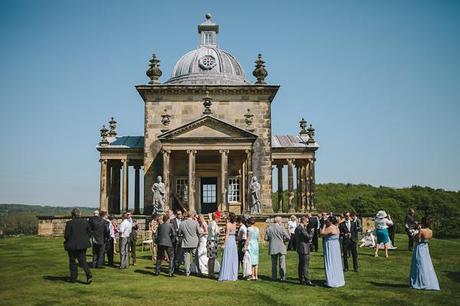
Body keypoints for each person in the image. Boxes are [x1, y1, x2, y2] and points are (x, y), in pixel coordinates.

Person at [409, 217, 440, 291]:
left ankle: (420, 282)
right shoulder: (430, 231)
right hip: (425, 248)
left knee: (419, 264)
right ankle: (428, 281)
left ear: (423, 223)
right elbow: (427, 239)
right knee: (426, 264)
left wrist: (416, 233)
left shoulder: (422, 230)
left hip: (419, 248)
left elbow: (417, 240)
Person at [64, 208, 92, 284]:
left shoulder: (69, 223)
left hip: (72, 244)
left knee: (72, 261)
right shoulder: (85, 222)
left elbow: (66, 235)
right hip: (83, 244)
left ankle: (73, 278)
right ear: (80, 214)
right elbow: (89, 233)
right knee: (83, 260)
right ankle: (88, 274)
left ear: (72, 215)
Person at [320, 215, 345, 288]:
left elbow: (322, 233)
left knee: (330, 261)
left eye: (327, 220)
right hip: (336, 246)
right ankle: (338, 279)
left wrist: (324, 225)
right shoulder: (336, 227)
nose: (326, 220)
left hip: (330, 246)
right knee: (336, 262)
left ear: (330, 221)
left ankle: (331, 280)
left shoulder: (330, 227)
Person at [264, 216, 290, 281]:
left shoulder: (269, 228)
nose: (281, 222)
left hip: (273, 247)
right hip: (281, 247)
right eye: (281, 221)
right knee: (282, 263)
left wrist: (271, 240)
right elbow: (288, 237)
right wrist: (284, 240)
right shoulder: (282, 228)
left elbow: (266, 238)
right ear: (278, 221)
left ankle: (274, 277)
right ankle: (282, 277)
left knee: (274, 264)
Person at [219, 212, 239, 281]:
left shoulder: (228, 224)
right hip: (233, 242)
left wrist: (224, 244)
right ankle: (232, 275)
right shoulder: (235, 224)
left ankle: (225, 275)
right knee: (233, 258)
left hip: (229, 241)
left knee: (227, 257)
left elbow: (227, 235)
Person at [295, 216, 314, 286]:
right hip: (304, 249)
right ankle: (307, 280)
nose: (308, 223)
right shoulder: (301, 228)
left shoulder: (299, 228)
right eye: (307, 221)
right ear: (303, 221)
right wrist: (312, 231)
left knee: (301, 265)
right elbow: (308, 237)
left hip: (301, 248)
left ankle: (302, 279)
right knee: (305, 265)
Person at [179, 212, 200, 276]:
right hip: (194, 242)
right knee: (196, 258)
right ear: (192, 216)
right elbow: (198, 232)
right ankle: (198, 271)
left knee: (186, 258)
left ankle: (187, 272)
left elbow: (179, 233)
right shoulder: (195, 222)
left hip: (186, 242)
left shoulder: (182, 223)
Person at [207, 212, 220, 278]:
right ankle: (211, 273)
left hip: (210, 241)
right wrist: (219, 232)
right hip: (212, 241)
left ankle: (210, 272)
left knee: (210, 258)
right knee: (212, 258)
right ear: (217, 217)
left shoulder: (210, 222)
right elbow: (214, 232)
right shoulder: (214, 223)